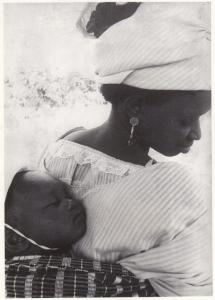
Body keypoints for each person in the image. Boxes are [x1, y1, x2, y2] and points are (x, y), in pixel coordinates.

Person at [37, 2, 212, 296]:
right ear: (135, 108)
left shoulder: (60, 149)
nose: (196, 133)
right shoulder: (175, 189)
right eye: (185, 119)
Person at [5, 169, 157, 297]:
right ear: (15, 240)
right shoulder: (46, 279)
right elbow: (142, 287)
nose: (71, 203)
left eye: (68, 195)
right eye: (54, 203)